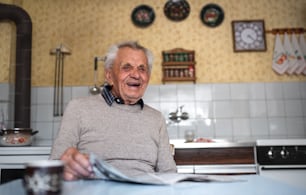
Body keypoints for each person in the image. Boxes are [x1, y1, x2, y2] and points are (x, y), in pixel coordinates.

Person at [50, 41, 177, 180]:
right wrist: (68, 165)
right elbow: (55, 165)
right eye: (126, 67)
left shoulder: (156, 118)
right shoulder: (78, 108)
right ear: (109, 75)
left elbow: (169, 173)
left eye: (142, 69)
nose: (136, 75)